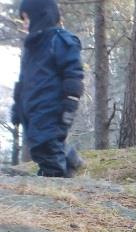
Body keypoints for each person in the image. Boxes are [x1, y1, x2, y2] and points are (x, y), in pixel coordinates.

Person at [11, 0, 85, 177]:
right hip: (32, 109)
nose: (25, 24)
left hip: (52, 108)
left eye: (28, 19)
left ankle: (55, 179)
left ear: (41, 15)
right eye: (24, 20)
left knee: (47, 145)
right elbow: (23, 80)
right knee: (38, 145)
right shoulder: (32, 48)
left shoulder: (60, 40)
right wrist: (17, 107)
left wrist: (71, 102)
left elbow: (73, 74)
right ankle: (67, 159)